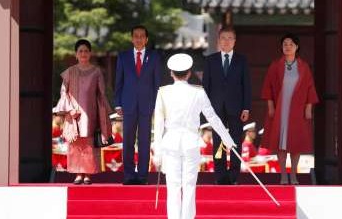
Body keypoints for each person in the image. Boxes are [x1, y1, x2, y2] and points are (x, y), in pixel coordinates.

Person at [153, 53, 235, 219]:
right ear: (189, 73)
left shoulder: (163, 92)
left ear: (171, 73)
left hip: (171, 143)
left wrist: (157, 151)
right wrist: (227, 139)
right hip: (191, 143)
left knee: (173, 186)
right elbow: (212, 117)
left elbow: (159, 124)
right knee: (189, 186)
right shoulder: (198, 92)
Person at [261, 34, 319, 185]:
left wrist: (308, 107)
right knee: (281, 142)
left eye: (291, 44)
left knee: (296, 142)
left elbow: (310, 87)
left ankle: (293, 174)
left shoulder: (303, 67)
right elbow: (268, 86)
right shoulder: (275, 66)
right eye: (285, 44)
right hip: (281, 108)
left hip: (298, 109)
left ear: (297, 47)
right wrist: (271, 106)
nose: (287, 46)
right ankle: (283, 175)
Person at [53, 39, 112, 185]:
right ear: (76, 54)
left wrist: (103, 114)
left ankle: (88, 175)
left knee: (88, 143)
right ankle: (78, 174)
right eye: (80, 51)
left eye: (86, 51)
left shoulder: (96, 72)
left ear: (90, 53)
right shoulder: (70, 72)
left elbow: (101, 94)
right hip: (73, 114)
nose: (83, 53)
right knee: (75, 143)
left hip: (90, 113)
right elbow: (63, 93)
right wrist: (69, 110)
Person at [202, 27, 252, 185]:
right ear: (218, 40)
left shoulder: (241, 60)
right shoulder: (210, 60)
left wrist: (246, 108)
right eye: (223, 38)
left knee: (236, 140)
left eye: (230, 38)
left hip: (236, 107)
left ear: (235, 41)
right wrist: (206, 108)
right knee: (218, 141)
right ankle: (220, 175)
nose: (226, 41)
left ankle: (234, 175)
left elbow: (247, 85)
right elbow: (206, 87)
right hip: (215, 108)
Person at [114, 25, 162, 185]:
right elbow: (118, 82)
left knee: (144, 141)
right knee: (127, 141)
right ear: (132, 38)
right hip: (127, 105)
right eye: (136, 36)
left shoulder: (154, 57)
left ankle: (142, 176)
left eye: (142, 36)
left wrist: (157, 105)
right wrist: (117, 103)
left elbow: (157, 84)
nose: (139, 38)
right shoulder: (123, 57)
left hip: (147, 105)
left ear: (146, 39)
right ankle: (128, 175)